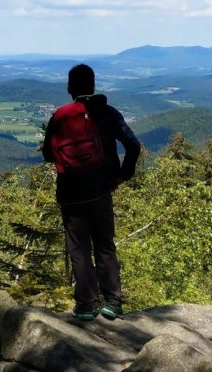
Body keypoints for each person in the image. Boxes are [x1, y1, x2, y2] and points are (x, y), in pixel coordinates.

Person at [42, 63, 141, 321]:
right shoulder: (109, 113)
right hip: (101, 190)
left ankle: (86, 305)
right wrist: (122, 175)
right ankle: (113, 303)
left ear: (69, 88)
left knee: (79, 250)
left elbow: (47, 154)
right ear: (94, 86)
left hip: (70, 192)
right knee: (105, 245)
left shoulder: (61, 116)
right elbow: (133, 145)